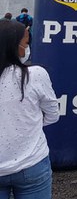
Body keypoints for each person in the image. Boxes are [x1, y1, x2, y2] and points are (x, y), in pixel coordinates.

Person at [0, 20, 60, 197]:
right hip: (32, 164)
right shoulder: (35, 75)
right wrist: (28, 124)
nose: (28, 47)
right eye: (26, 42)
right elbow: (52, 114)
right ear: (14, 46)